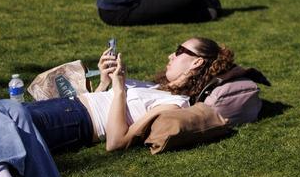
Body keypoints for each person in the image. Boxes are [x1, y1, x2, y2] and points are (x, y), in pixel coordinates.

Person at [25, 36, 238, 156]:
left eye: (180, 50)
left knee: (7, 123)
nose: (171, 55)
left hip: (75, 121)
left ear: (197, 62)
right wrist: (105, 81)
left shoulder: (173, 104)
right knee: (1, 112)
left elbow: (116, 142)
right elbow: (100, 103)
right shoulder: (155, 88)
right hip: (69, 107)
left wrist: (118, 88)